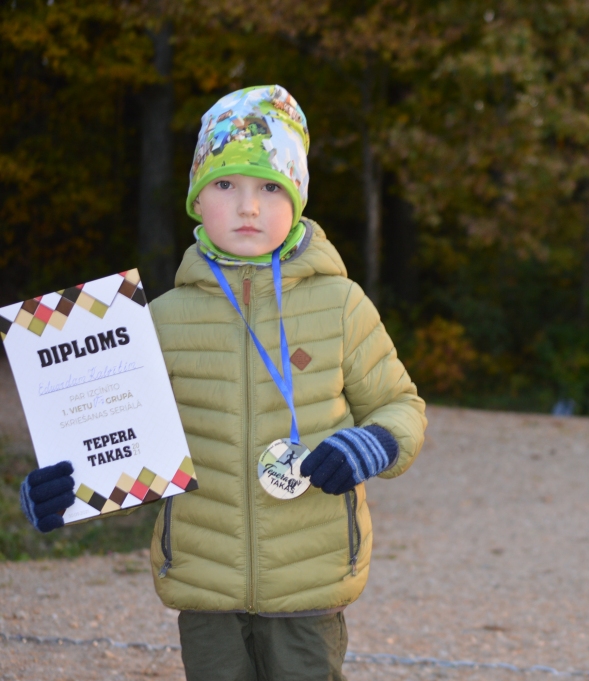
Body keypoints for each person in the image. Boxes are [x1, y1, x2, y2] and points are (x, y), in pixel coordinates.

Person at [19, 84, 427, 680]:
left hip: (309, 577)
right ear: (196, 200)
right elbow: (123, 445)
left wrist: (374, 444)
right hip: (203, 581)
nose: (248, 207)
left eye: (269, 186)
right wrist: (66, 487)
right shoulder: (157, 319)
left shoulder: (341, 304)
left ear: (298, 198)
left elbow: (401, 406)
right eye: (225, 184)